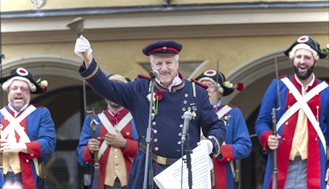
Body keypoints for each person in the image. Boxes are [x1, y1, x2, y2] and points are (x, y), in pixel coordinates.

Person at [74, 36, 226, 188]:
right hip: (148, 169)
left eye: (169, 63)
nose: (164, 68)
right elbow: (107, 88)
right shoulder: (140, 88)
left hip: (183, 171)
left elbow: (216, 125)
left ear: (177, 63)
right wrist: (88, 59)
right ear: (151, 66)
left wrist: (210, 143)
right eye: (158, 63)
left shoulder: (195, 92)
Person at [255, 35, 329, 188]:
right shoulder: (278, 85)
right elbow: (262, 121)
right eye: (299, 56)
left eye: (307, 57)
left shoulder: (325, 90)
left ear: (314, 60)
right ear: (293, 59)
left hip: (313, 164)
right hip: (282, 162)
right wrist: (268, 137)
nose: (302, 61)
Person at [76, 73, 139, 189]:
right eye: (110, 91)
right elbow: (81, 157)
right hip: (102, 183)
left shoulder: (136, 118)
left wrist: (125, 143)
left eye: (119, 91)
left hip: (132, 183)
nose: (114, 95)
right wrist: (89, 149)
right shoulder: (93, 119)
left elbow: (147, 151)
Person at [0, 67, 56, 188]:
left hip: (28, 176)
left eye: (24, 89)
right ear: (8, 91)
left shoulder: (41, 113)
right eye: (14, 88)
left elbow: (49, 143)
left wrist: (21, 147)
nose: (18, 92)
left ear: (29, 92)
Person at [195, 69, 252, 189]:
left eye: (211, 86)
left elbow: (245, 146)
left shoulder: (233, 113)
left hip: (222, 176)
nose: (206, 89)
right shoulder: (191, 113)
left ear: (220, 92)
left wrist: (219, 149)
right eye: (202, 85)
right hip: (195, 173)